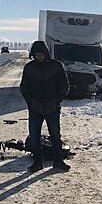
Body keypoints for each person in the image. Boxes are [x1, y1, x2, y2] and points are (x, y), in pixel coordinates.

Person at [20, 40, 70, 172]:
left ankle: (58, 161)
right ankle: (37, 162)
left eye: (41, 54)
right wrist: (30, 102)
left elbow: (65, 85)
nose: (39, 57)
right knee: (34, 136)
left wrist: (56, 101)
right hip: (35, 108)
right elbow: (24, 87)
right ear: (33, 54)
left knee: (55, 135)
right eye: (36, 54)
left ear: (46, 53)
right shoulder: (29, 68)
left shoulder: (56, 66)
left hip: (52, 108)